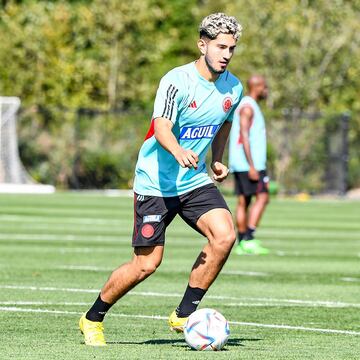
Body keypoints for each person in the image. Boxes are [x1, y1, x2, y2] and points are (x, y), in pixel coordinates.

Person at [79, 13, 243, 346]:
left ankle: (184, 314)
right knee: (146, 264)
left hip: (194, 181)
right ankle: (92, 317)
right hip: (155, 182)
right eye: (220, 46)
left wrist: (218, 159)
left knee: (225, 236)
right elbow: (162, 127)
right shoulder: (176, 81)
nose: (226, 54)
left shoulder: (234, 87)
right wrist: (179, 151)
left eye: (231, 48)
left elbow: (224, 122)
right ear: (203, 45)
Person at [229, 75, 270, 255]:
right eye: (264, 87)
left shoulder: (250, 105)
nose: (266, 90)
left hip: (243, 163)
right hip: (249, 164)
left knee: (244, 201)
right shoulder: (247, 107)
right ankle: (248, 239)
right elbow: (243, 136)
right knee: (262, 197)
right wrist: (252, 165)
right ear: (257, 86)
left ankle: (243, 241)